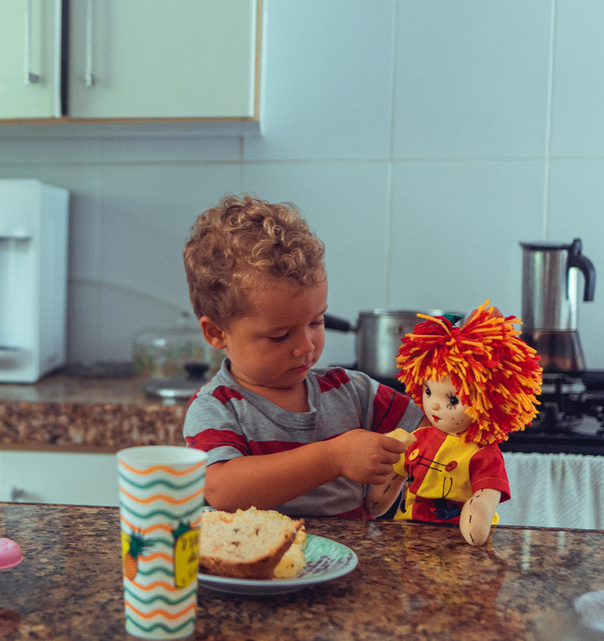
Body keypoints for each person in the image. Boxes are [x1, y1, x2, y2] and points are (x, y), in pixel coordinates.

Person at [181, 194, 424, 518]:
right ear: (216, 333)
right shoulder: (216, 406)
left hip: (348, 553)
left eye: (316, 322)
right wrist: (333, 458)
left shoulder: (352, 391)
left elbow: (433, 427)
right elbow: (222, 489)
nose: (307, 346)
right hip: (257, 553)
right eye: (280, 336)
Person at [388, 304, 542, 545]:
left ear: (490, 401)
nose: (434, 405)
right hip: (409, 533)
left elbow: (486, 494)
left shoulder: (483, 453)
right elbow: (396, 473)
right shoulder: (420, 437)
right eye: (428, 391)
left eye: (452, 399)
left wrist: (478, 509)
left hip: (458, 540)